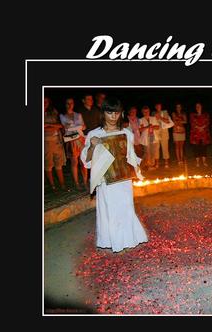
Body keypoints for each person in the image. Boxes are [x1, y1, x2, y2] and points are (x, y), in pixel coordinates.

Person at [80, 97, 148, 253]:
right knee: (109, 209)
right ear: (103, 113)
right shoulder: (94, 134)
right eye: (109, 113)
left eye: (116, 113)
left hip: (123, 178)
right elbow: (86, 160)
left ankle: (129, 238)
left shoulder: (126, 133)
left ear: (121, 114)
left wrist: (137, 166)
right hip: (105, 179)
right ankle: (112, 240)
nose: (113, 117)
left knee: (126, 207)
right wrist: (91, 145)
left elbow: (130, 155)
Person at [60, 97, 88, 190]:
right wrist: (77, 127)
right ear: (65, 104)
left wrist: (74, 127)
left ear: (73, 104)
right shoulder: (62, 116)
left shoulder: (78, 114)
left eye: (71, 103)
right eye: (68, 103)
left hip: (80, 139)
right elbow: (65, 129)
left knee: (83, 161)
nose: (70, 105)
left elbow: (84, 127)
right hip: (71, 141)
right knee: (74, 162)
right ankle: (76, 183)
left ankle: (85, 182)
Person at [44, 97, 67, 191]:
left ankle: (62, 185)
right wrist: (53, 126)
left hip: (57, 142)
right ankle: (53, 186)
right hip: (45, 143)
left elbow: (60, 125)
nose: (45, 103)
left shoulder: (53, 111)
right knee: (48, 165)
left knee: (59, 164)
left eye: (46, 101)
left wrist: (48, 125)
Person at [139, 106, 160, 170]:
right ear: (142, 112)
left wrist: (152, 127)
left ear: (149, 111)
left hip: (153, 137)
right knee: (147, 152)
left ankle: (154, 164)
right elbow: (140, 130)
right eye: (144, 112)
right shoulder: (141, 120)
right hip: (146, 138)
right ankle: (148, 165)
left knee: (154, 151)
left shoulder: (153, 118)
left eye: (147, 111)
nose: (146, 113)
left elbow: (158, 127)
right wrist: (148, 127)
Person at [190, 102, 211, 167]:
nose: (198, 107)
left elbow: (207, 122)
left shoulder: (206, 114)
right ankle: (197, 163)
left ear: (201, 107)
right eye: (196, 106)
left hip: (204, 134)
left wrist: (202, 127)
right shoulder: (192, 115)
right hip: (195, 134)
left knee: (203, 148)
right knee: (196, 148)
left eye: (199, 106)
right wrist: (198, 127)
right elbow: (192, 123)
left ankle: (204, 162)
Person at [152, 102, 171, 169]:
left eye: (159, 105)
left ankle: (166, 162)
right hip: (156, 131)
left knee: (165, 147)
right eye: (157, 106)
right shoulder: (153, 113)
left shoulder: (164, 112)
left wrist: (160, 117)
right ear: (155, 107)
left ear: (161, 106)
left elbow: (167, 121)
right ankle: (157, 163)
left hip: (164, 131)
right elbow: (152, 122)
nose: (158, 107)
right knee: (156, 148)